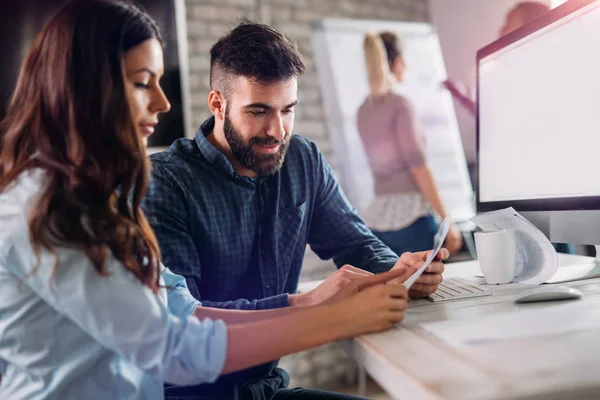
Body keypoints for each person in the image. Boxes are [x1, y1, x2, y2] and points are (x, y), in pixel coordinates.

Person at [0, 1, 423, 398]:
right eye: (143, 83)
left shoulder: (96, 196)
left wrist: (316, 301)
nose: (163, 103)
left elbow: (183, 310)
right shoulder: (51, 210)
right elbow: (174, 350)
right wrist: (333, 318)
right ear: (87, 89)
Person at [141, 20, 448, 399]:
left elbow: (356, 244)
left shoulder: (302, 158)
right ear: (218, 104)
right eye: (258, 111)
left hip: (266, 390)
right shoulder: (164, 183)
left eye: (287, 110)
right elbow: (190, 322)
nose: (277, 130)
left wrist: (400, 273)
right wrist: (310, 305)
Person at [444, 1, 573, 254]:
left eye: (509, 22)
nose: (501, 28)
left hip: (543, 184)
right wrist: (463, 99)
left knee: (555, 248)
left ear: (529, 24)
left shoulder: (546, 69)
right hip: (514, 184)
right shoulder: (505, 66)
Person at [356, 32, 463, 257]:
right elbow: (418, 167)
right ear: (396, 62)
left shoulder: (362, 110)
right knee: (430, 288)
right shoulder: (401, 105)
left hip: (377, 223)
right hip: (412, 222)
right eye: (403, 61)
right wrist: (447, 221)